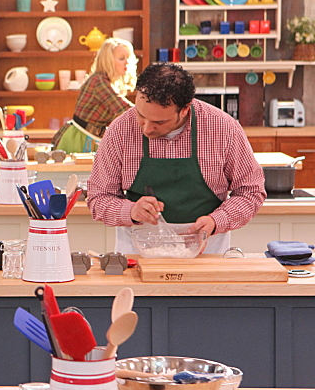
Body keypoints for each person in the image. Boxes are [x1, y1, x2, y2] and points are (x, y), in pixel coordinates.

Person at [86, 62, 266, 254]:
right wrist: (130, 211)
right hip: (138, 255)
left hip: (207, 253)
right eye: (140, 115)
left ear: (185, 109)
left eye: (159, 121)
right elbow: (99, 197)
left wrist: (216, 221)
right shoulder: (120, 130)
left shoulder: (223, 129)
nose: (146, 128)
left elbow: (251, 191)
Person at [52, 37, 137, 153]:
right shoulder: (99, 81)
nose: (127, 62)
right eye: (122, 58)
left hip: (88, 137)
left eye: (128, 58)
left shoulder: (105, 81)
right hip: (80, 139)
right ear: (108, 61)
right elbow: (124, 109)